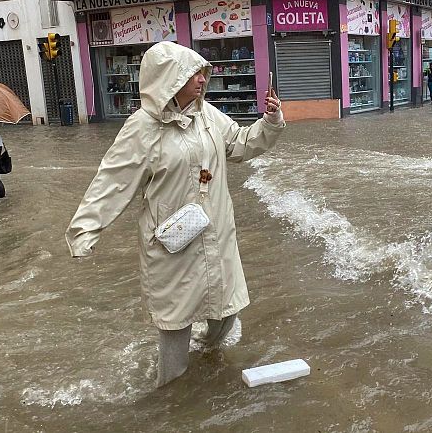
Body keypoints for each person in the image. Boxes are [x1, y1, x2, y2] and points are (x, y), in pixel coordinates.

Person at [65, 42, 286, 388]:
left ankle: (206, 360)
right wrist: (85, 230)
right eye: (193, 74)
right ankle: (169, 394)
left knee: (225, 310)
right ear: (170, 79)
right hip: (173, 242)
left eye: (202, 73)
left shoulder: (207, 116)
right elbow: (112, 181)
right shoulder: (142, 128)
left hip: (216, 233)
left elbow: (240, 144)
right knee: (175, 322)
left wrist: (270, 122)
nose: (202, 80)